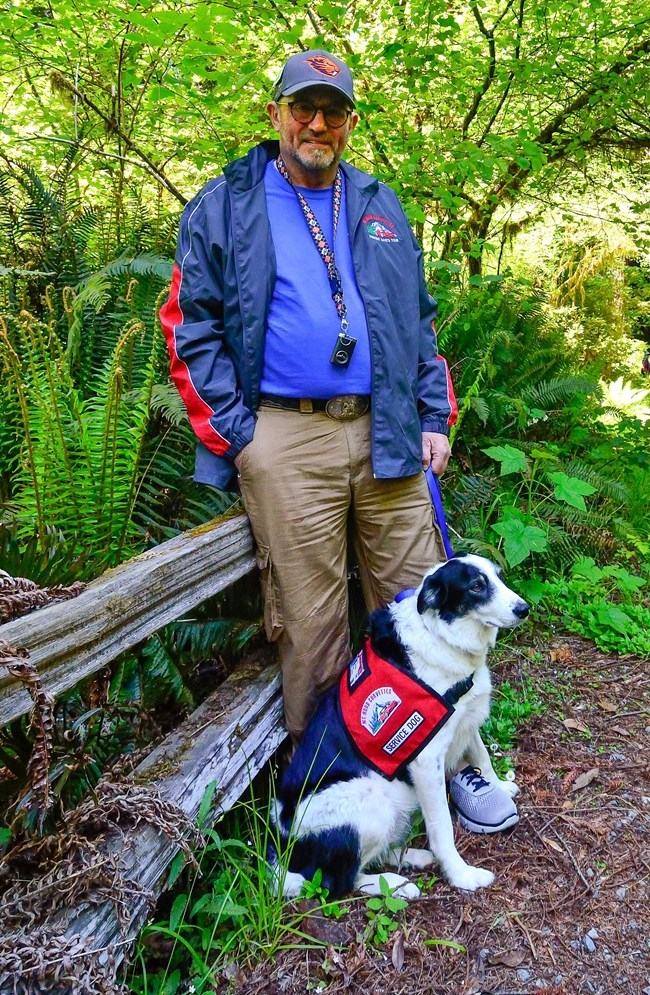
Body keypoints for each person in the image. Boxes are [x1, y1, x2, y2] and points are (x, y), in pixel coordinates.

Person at [160, 48, 520, 835]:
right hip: (284, 429)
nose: (316, 123)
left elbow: (417, 326)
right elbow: (190, 325)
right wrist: (242, 435)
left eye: (333, 111)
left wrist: (433, 416)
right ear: (277, 114)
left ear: (351, 122)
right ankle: (335, 791)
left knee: (428, 597)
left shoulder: (379, 203)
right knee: (313, 618)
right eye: (302, 107)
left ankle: (454, 762)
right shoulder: (228, 204)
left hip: (384, 421)